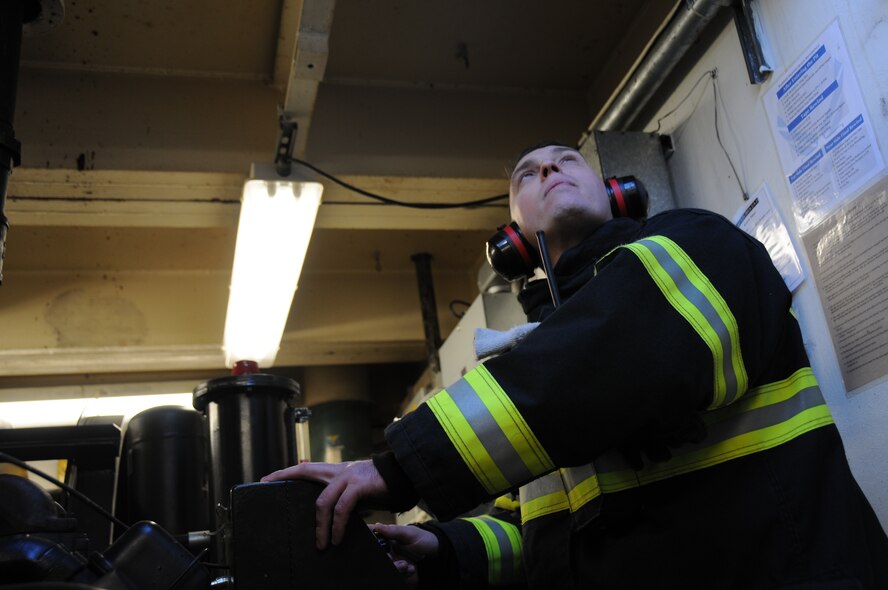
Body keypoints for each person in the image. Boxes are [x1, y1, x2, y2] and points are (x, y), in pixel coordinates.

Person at [263, 142, 888, 588]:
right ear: (511, 236)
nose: (549, 169)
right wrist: (442, 546)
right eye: (528, 173)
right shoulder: (538, 361)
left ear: (616, 192)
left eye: (567, 160)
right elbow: (539, 529)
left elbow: (606, 357)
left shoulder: (698, 244)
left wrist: (399, 469)